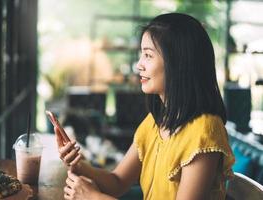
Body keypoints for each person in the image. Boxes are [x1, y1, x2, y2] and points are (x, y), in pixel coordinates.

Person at [56, 13, 235, 200]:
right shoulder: (155, 122)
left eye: (148, 55)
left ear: (178, 63)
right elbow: (117, 182)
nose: (139, 65)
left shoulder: (204, 130)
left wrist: (94, 197)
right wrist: (78, 164)